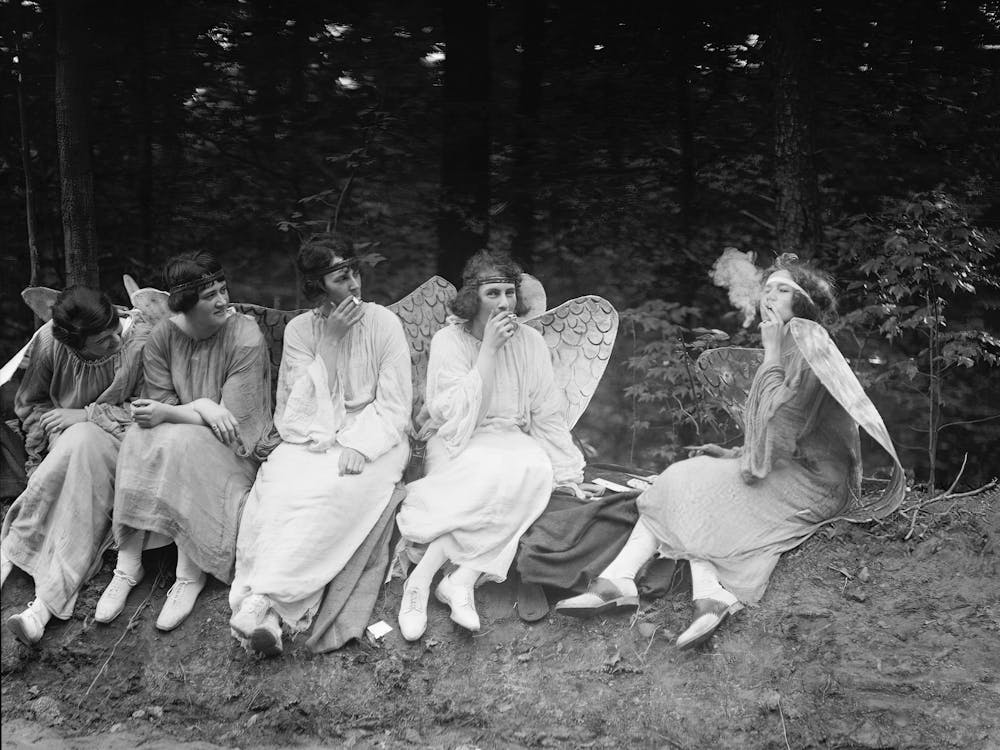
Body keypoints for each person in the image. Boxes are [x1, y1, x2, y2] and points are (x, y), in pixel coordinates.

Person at [555, 255, 903, 650]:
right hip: (791, 466)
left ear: (804, 304)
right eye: (767, 288)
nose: (769, 296)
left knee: (694, 482)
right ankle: (627, 581)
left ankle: (699, 591)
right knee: (690, 475)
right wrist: (736, 451)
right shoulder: (790, 343)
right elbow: (776, 433)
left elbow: (782, 425)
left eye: (783, 289)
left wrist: (770, 356)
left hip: (817, 482)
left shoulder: (809, 344)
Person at [228, 238, 412, 656]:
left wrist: (363, 446)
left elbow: (396, 404)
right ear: (318, 287)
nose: (354, 283)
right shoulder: (299, 331)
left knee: (332, 494)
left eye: (354, 272)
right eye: (340, 277)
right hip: (312, 435)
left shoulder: (384, 324)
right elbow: (294, 414)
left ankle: (262, 602)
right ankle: (272, 619)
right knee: (278, 489)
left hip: (376, 437)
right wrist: (329, 341)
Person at [395, 250, 585, 640]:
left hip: (509, 440)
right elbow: (449, 413)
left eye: (509, 293)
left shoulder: (531, 342)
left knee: (535, 469)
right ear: (473, 298)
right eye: (493, 293)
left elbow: (546, 414)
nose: (504, 303)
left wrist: (567, 470)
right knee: (489, 474)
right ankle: (419, 583)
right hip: (457, 439)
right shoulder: (450, 340)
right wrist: (489, 350)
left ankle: (461, 579)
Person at [94, 252, 272, 632]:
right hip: (183, 434)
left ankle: (190, 573)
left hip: (233, 448)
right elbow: (161, 406)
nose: (224, 301)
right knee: (140, 435)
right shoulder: (163, 337)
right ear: (186, 305)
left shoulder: (246, 335)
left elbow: (234, 421)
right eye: (210, 296)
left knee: (183, 438)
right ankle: (128, 566)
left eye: (223, 290)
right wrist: (198, 408)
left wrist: (201, 408)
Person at [1, 287, 150, 645]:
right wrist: (39, 453)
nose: (116, 340)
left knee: (83, 438)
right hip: (65, 447)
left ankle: (43, 601)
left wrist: (86, 415)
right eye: (103, 341)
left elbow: (154, 409)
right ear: (74, 344)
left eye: (116, 330)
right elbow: (32, 406)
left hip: (124, 444)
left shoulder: (141, 342)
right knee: (76, 445)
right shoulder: (50, 344)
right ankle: (35, 592)